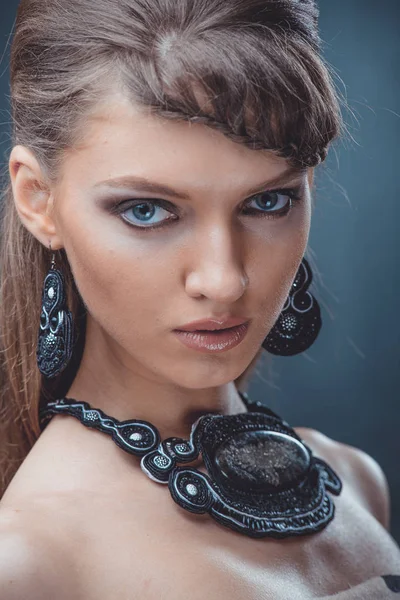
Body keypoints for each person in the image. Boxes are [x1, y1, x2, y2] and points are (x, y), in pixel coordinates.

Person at [0, 0, 399, 598]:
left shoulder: (357, 481)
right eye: (147, 211)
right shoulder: (32, 561)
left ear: (308, 187)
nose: (224, 279)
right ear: (37, 199)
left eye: (267, 202)